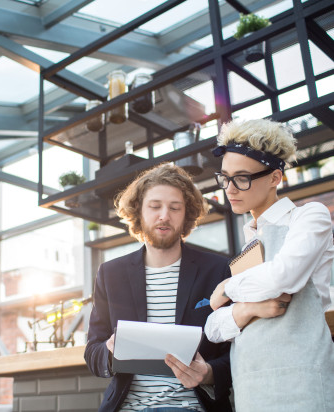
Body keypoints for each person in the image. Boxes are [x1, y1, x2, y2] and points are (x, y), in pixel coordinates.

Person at [204, 119, 334, 412]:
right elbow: (213, 327)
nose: (230, 189)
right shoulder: (248, 244)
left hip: (303, 382)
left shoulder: (308, 217)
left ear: (275, 178)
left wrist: (227, 287)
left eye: (241, 178)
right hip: (250, 388)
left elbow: (284, 276)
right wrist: (247, 308)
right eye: (224, 178)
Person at [84, 164, 233, 412]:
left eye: (175, 208)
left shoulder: (218, 270)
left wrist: (207, 373)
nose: (164, 215)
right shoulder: (110, 274)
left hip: (192, 407)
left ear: (187, 215)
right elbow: (92, 352)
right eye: (155, 207)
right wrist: (110, 351)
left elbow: (238, 352)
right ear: (139, 212)